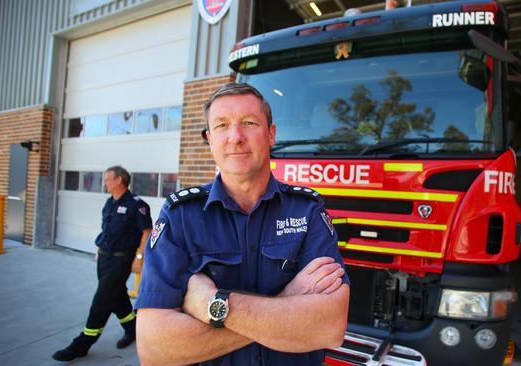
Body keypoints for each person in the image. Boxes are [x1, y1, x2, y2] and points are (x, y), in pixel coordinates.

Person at [135, 83, 350, 365]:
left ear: (271, 135)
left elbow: (329, 326)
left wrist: (210, 303)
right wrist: (287, 299)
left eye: (249, 123)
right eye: (222, 125)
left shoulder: (308, 211)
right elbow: (155, 349)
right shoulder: (180, 217)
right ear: (210, 139)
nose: (235, 137)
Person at [52, 166, 152, 361]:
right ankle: (133, 329)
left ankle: (83, 343)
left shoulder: (136, 205)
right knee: (116, 295)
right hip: (105, 257)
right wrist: (100, 251)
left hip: (121, 259)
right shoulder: (109, 203)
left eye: (107, 179)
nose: (104, 183)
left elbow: (147, 232)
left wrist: (139, 258)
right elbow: (107, 231)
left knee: (102, 299)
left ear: (119, 181)